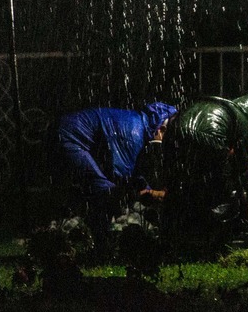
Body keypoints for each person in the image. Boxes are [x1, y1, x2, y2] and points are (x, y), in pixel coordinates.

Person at [54, 102, 178, 249]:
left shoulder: (136, 124)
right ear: (161, 129)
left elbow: (132, 171)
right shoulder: (134, 133)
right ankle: (100, 246)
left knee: (101, 189)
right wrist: (144, 193)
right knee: (105, 191)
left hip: (68, 133)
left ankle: (92, 241)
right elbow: (121, 173)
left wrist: (145, 188)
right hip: (69, 138)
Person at [163, 93, 248, 252]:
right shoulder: (242, 119)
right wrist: (244, 197)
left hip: (174, 132)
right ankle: (216, 243)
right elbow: (243, 166)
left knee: (182, 184)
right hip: (210, 137)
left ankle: (173, 239)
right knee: (221, 191)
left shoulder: (215, 106)